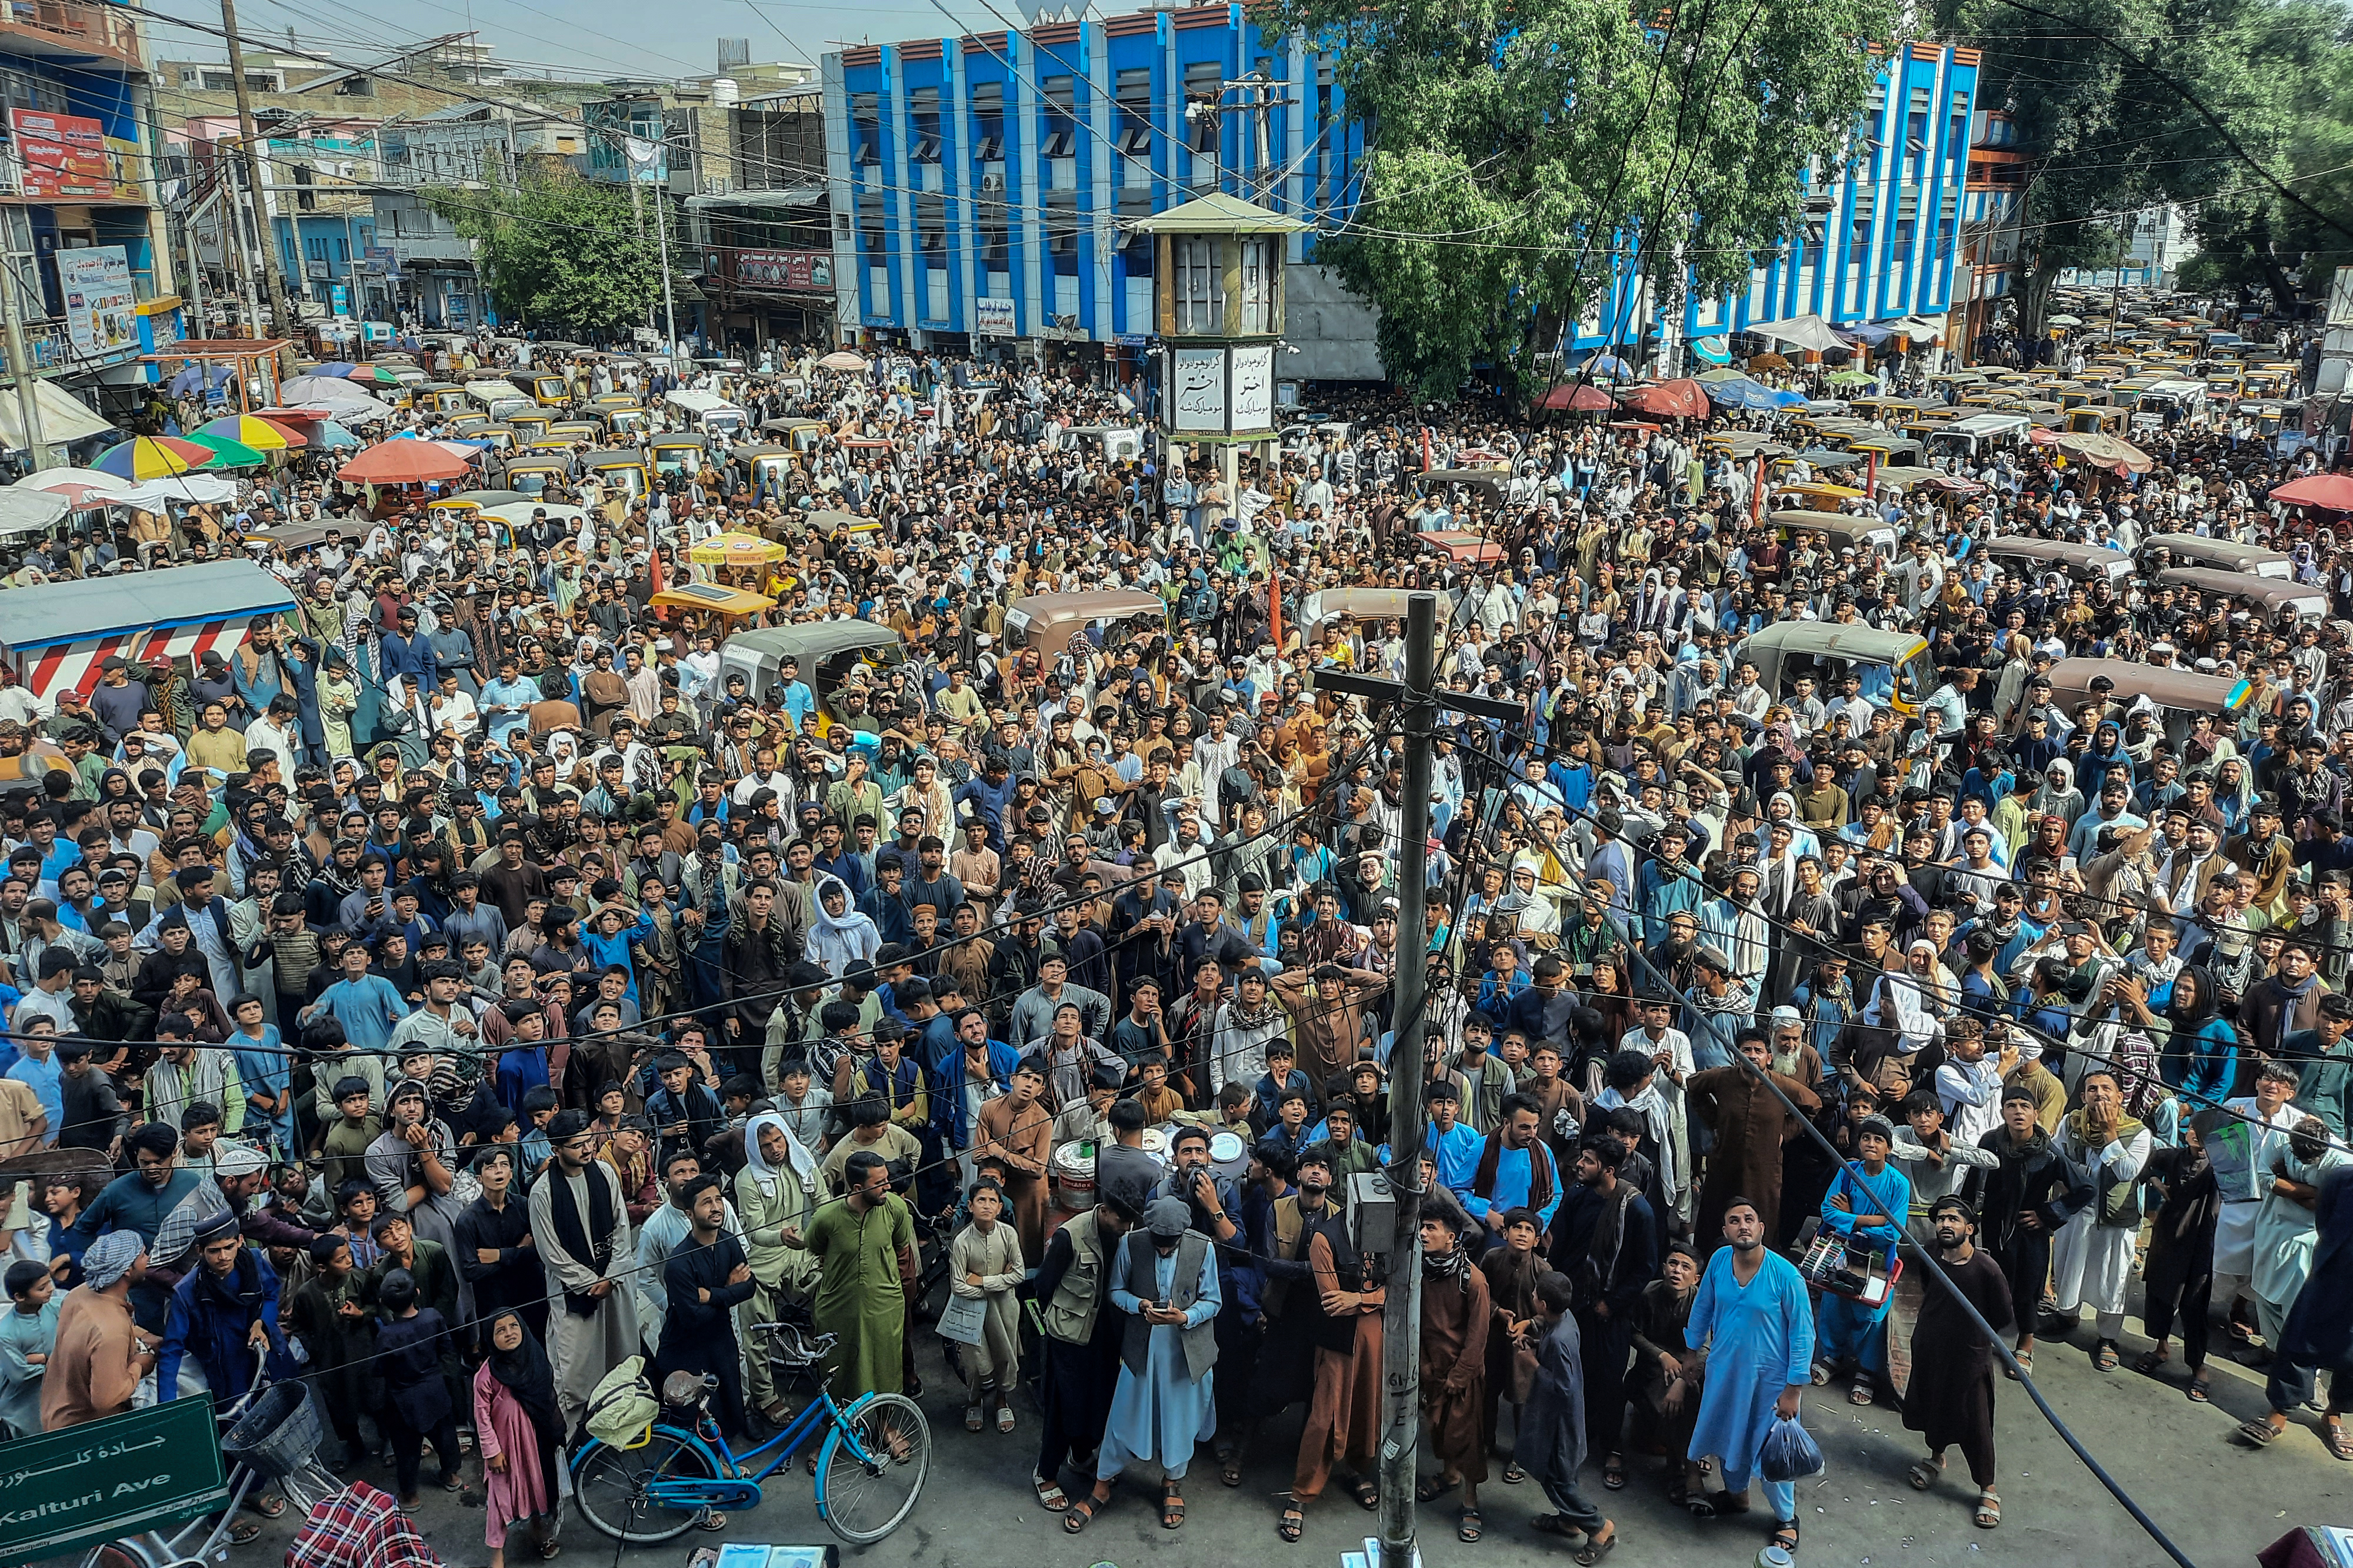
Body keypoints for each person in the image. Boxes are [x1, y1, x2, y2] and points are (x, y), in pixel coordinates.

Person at [1063, 1195, 1221, 1533]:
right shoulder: (1131, 1243)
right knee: (1125, 1416)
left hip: (1185, 1352)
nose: (1163, 1251)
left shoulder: (1203, 1247)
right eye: (1158, 1244)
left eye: (1170, 1246)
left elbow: (1213, 1301)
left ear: (1183, 1234)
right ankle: (1103, 1483)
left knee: (1179, 1419)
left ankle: (1171, 1482)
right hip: (1142, 1350)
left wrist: (1186, 1317)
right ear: (1148, 1231)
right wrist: (1139, 1305)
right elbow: (1115, 1291)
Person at [1687, 1196, 1812, 1556]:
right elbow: (1703, 1307)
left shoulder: (1786, 1276)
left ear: (1761, 1228)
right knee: (1729, 1435)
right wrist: (1691, 1351)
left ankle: (1786, 1518)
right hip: (1725, 1372)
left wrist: (1794, 1390)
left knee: (1772, 1451)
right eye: (1734, 1220)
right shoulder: (1718, 1262)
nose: (1742, 1225)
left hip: (1772, 1384)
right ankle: (1736, 1495)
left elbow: (1803, 1335)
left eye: (1749, 1219)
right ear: (1725, 1230)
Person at [1901, 1195, 2013, 1529]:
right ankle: (1936, 1458)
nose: (1945, 1225)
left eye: (1954, 1219)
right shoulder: (1931, 1252)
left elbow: (2003, 1316)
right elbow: (1927, 1284)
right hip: (1931, 1348)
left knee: (1975, 1421)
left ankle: (1988, 1488)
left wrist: (1973, 1339)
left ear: (1970, 1228)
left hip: (1969, 1356)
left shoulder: (1986, 1269)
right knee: (1934, 1405)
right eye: (1941, 1219)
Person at [1032, 1182, 1142, 1513]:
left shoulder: (1125, 1234)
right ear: (1105, 1211)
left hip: (1106, 1337)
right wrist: (1058, 1324)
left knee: (1099, 1402)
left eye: (1130, 1223)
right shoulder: (1070, 1236)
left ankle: (1080, 1456)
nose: (1126, 1229)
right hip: (1070, 1337)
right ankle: (1046, 1474)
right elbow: (1043, 1286)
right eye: (1121, 1221)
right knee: (1063, 1407)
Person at [528, 1109, 639, 1430]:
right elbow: (551, 1253)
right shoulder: (543, 1192)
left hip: (614, 1283)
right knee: (576, 1368)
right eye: (577, 1145)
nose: (587, 1149)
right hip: (574, 1293)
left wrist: (613, 1276)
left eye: (589, 1141)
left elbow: (621, 1227)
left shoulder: (604, 1173)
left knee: (621, 1355)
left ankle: (624, 1422)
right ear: (556, 1150)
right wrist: (591, 1283)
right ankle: (580, 1437)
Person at [2234, 1163, 2353, 1457]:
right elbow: (2325, 1223)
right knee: (2301, 1340)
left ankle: (2334, 1413)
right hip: (2332, 1278)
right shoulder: (2341, 1179)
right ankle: (2280, 1412)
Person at [2048, 1069, 2152, 1370]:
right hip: (2078, 1212)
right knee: (2071, 1267)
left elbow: (2127, 1172)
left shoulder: (2138, 1132)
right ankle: (2067, 1315)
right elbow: (2058, 1155)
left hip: (2115, 1218)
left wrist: (2109, 1132)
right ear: (2083, 1097)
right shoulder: (2072, 1123)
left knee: (2112, 1278)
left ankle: (2108, 1338)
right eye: (2092, 1089)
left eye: (2107, 1089)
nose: (2099, 1094)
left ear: (2120, 1097)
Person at [792, 1149, 916, 1396]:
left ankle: (885, 1424)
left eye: (886, 1179)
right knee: (839, 1369)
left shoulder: (896, 1209)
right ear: (858, 1187)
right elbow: (817, 1249)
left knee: (886, 1368)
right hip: (838, 1308)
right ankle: (843, 1424)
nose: (888, 1187)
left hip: (885, 1306)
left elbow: (903, 1254)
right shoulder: (826, 1217)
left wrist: (905, 1300)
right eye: (879, 1183)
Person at [1518, 1269, 1619, 1565]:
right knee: (1566, 1473)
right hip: (1564, 1420)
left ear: (1543, 1305)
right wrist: (1535, 1344)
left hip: (1558, 1424)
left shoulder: (1561, 1340)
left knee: (1558, 1479)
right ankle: (1567, 1521)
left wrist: (1532, 1363)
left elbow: (1563, 1387)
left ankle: (1599, 1527)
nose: (1533, 1297)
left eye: (1536, 1295)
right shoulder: (1564, 1320)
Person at [1811, 1113, 1910, 1406]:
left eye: (1879, 1140)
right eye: (1866, 1137)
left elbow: (1893, 1230)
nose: (1871, 1144)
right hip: (1843, 1250)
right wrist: (1871, 1220)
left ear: (1888, 1148)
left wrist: (1851, 1216)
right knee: (1835, 1301)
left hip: (1879, 1257)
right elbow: (1828, 1212)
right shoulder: (1847, 1171)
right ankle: (1834, 1356)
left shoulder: (1898, 1184)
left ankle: (1867, 1369)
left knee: (1870, 1312)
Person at [656, 1172, 756, 1439]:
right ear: (689, 1213)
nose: (716, 1207)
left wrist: (712, 1295)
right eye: (706, 1202)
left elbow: (749, 1287)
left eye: (718, 1200)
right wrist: (728, 1290)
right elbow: (692, 1317)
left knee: (728, 1407)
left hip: (721, 1340)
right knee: (696, 1420)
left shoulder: (729, 1241)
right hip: (687, 1348)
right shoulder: (679, 1262)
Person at [1418, 1209, 1492, 1542]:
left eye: (1430, 1229)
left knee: (1467, 1438)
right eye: (1421, 1228)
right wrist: (1422, 1364)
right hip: (1431, 1368)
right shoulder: (1420, 1271)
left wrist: (1459, 1376)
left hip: (1462, 1374)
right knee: (1438, 1430)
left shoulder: (1472, 1280)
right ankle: (1449, 1477)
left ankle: (1470, 1500)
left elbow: (1478, 1337)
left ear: (1450, 1238)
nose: (1422, 1234)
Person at [475, 1307, 565, 1567]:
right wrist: (492, 1452)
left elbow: (549, 1397)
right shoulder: (487, 1375)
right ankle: (497, 1555)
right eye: (500, 1330)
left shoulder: (535, 1358)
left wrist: (556, 1432)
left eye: (514, 1326)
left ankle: (538, 1533)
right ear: (490, 1338)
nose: (509, 1333)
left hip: (536, 1444)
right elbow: (481, 1416)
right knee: (500, 1499)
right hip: (505, 1450)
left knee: (538, 1489)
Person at [375, 1266, 464, 1509]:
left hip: (404, 1399)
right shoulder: (433, 1317)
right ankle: (450, 1475)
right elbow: (446, 1348)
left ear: (384, 1302)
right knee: (446, 1437)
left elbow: (380, 1368)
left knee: (406, 1449)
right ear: (417, 1292)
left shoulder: (387, 1336)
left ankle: (410, 1494)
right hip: (435, 1389)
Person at [42, 1229, 149, 1430]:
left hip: (56, 1415)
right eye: (143, 1255)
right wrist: (140, 1365)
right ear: (127, 1270)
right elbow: (106, 1400)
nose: (148, 1259)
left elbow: (91, 1338)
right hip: (86, 1434)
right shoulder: (110, 1331)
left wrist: (144, 1335)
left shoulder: (80, 1294)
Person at [947, 1176, 1024, 1434]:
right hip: (973, 1312)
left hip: (1005, 1310)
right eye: (981, 1200)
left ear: (1000, 1208)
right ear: (970, 1206)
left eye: (993, 1201)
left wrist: (981, 1281)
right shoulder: (962, 1242)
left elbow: (1019, 1275)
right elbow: (959, 1286)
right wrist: (999, 1282)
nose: (987, 1206)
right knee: (975, 1362)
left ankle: (1002, 1400)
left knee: (1006, 1357)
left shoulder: (1009, 1234)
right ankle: (975, 1400)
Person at [0, 1259, 58, 1439]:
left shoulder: (58, 1307)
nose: (50, 1289)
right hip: (20, 1407)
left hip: (56, 1397)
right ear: (19, 1297)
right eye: (41, 1288)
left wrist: (39, 1358)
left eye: (49, 1283)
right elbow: (19, 1374)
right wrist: (53, 1361)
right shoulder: (5, 1331)